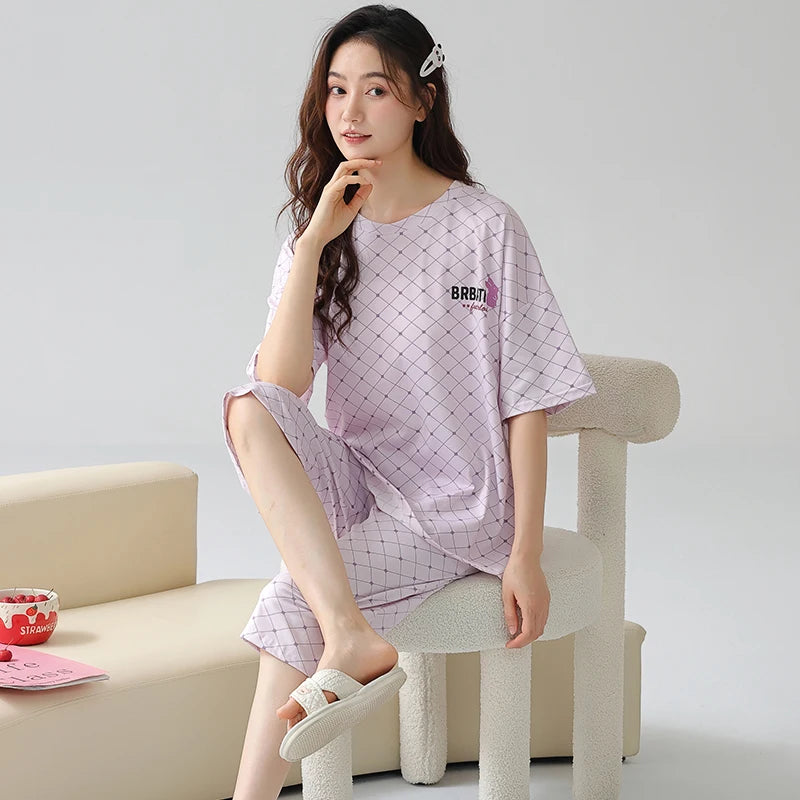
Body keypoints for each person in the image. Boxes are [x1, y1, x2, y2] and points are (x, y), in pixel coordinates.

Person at [222, 5, 597, 797]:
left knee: (288, 601)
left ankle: (267, 762)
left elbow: (527, 398)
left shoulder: (485, 226)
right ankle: (350, 634)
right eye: (336, 90)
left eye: (376, 90)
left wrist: (524, 553)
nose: (350, 112)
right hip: (358, 479)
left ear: (423, 101)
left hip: (454, 502)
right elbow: (284, 386)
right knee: (247, 404)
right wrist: (315, 244)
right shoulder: (320, 232)